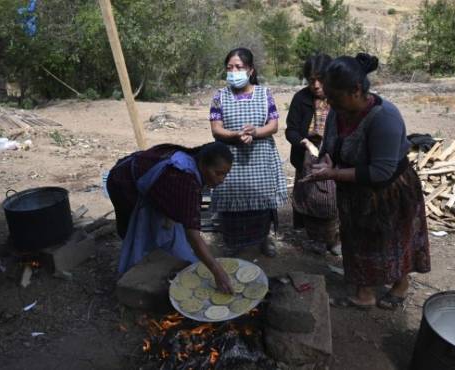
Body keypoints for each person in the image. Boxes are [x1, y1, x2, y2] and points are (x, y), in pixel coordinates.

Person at [308, 53, 430, 310]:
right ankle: (364, 294)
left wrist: (334, 174)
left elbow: (380, 171)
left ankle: (400, 285)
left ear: (356, 90)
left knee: (393, 241)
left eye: (334, 96)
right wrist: (327, 161)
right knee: (357, 242)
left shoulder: (384, 117)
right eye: (328, 96)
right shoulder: (337, 111)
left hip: (389, 192)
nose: (329, 102)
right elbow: (330, 145)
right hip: (354, 193)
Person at [106, 142, 234, 293]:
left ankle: (151, 258)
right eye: (218, 173)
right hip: (123, 182)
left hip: (142, 176)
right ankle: (133, 274)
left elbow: (172, 198)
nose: (221, 180)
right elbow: (193, 235)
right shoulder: (185, 181)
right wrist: (217, 271)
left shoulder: (190, 164)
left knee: (163, 228)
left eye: (225, 174)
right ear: (203, 164)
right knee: (134, 230)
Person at [209, 47, 287, 258]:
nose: (233, 71)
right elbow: (216, 129)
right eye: (229, 68)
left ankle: (263, 238)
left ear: (251, 70)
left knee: (261, 202)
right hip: (230, 160)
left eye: (239, 67)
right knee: (233, 201)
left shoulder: (264, 94)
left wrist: (255, 131)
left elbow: (273, 126)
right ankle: (233, 242)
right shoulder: (220, 97)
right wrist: (235, 135)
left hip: (260, 157)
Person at [285, 53, 340, 256]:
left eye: (321, 79)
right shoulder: (301, 98)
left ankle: (334, 238)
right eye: (311, 80)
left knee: (333, 200)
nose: (316, 85)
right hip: (308, 154)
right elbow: (291, 130)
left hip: (334, 156)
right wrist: (305, 142)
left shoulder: (340, 97)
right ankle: (315, 238)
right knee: (311, 198)